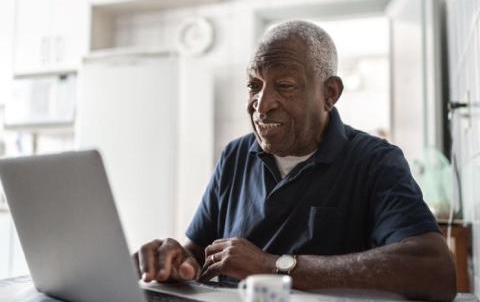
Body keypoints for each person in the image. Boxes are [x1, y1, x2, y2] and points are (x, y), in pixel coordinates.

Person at [133, 20, 456, 301]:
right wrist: (175, 263)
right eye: (254, 86)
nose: (261, 105)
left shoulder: (375, 161)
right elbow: (198, 254)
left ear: (329, 94)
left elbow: (434, 270)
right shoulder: (235, 155)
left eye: (284, 86)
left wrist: (274, 266)